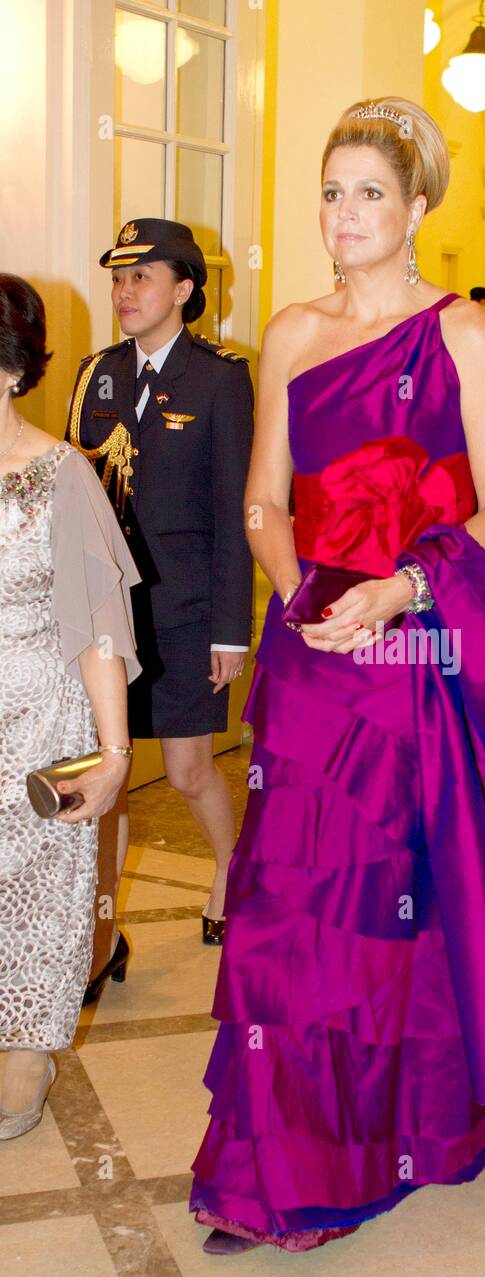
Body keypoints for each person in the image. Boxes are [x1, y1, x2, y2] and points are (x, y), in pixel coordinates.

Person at [189, 99, 485, 1256]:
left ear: (418, 206)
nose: (344, 214)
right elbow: (264, 499)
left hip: (409, 642)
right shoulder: (287, 332)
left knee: (395, 900)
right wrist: (295, 590)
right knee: (283, 904)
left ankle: (404, 1125)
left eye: (369, 193)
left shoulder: (466, 335)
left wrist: (400, 590)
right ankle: (277, 1147)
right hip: (309, 644)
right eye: (331, 192)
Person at [66, 221, 255, 970]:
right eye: (119, 278)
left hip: (182, 611)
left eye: (143, 277)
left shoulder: (220, 378)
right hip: (105, 610)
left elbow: (236, 509)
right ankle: (100, 931)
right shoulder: (94, 374)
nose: (125, 292)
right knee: (105, 770)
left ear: (184, 289)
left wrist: (228, 631)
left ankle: (230, 866)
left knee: (184, 770)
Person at [0, 274, 140, 1138]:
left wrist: (116, 753)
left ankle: (26, 1046)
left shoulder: (62, 477)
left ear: (11, 368)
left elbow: (98, 628)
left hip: (39, 715)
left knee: (43, 888)